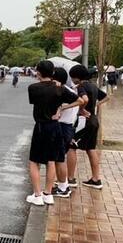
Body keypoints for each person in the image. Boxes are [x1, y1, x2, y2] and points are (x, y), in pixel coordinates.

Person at [26, 60, 82, 206]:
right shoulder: (60, 89)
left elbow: (36, 102)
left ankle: (37, 195)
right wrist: (62, 108)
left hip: (41, 126)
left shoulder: (33, 88)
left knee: (34, 161)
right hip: (55, 126)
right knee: (51, 160)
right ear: (52, 73)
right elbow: (80, 101)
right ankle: (48, 193)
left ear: (38, 72)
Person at [67, 64, 109, 190]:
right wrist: (96, 106)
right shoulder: (93, 86)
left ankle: (70, 179)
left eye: (72, 77)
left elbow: (84, 99)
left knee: (71, 146)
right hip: (94, 120)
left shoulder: (81, 86)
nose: (72, 79)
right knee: (90, 148)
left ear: (76, 77)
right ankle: (96, 179)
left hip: (84, 121)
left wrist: (81, 109)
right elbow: (107, 97)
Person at [51, 68, 83, 198]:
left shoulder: (65, 92)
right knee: (58, 158)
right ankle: (61, 185)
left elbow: (81, 100)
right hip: (66, 127)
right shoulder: (68, 91)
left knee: (59, 159)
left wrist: (64, 107)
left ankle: (63, 187)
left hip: (63, 127)